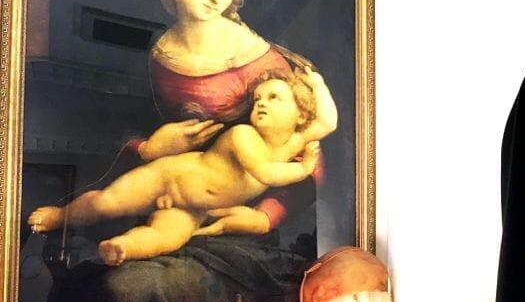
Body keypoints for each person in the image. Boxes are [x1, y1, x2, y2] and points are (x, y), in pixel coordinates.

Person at [34, 0, 331, 302]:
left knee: (138, 282)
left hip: (228, 222)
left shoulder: (263, 62)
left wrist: (266, 216)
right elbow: (116, 128)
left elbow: (308, 146)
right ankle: (67, 217)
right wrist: (151, 148)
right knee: (104, 237)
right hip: (173, 175)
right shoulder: (157, 54)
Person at [29, 69, 336, 265]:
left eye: (274, 98)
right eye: (257, 99)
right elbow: (266, 173)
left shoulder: (291, 144)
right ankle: (61, 216)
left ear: (300, 115)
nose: (261, 103)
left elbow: (327, 122)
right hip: (168, 178)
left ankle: (122, 247)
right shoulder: (244, 135)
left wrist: (318, 84)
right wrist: (304, 168)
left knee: (167, 238)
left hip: (193, 208)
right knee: (107, 203)